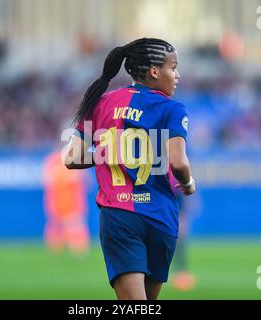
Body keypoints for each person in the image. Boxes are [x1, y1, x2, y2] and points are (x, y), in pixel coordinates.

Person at [64, 38, 196, 300]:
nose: (177, 74)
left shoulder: (99, 103)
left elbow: (71, 158)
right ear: (154, 71)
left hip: (120, 217)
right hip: (161, 218)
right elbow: (178, 162)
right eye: (174, 67)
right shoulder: (172, 108)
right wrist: (189, 183)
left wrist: (109, 152)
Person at [43, 150, 90, 255]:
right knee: (57, 226)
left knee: (74, 225)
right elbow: (48, 178)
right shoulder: (53, 160)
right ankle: (56, 251)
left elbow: (84, 179)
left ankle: (78, 250)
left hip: (73, 203)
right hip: (57, 202)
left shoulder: (76, 160)